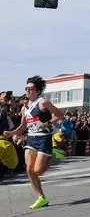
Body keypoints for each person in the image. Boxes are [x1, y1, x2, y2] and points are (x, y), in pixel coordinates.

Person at [3, 76, 63, 209]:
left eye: (30, 88)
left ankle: (54, 155)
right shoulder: (24, 108)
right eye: (26, 88)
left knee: (38, 171)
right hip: (31, 138)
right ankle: (41, 198)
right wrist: (12, 133)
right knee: (29, 170)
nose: (27, 91)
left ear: (38, 90)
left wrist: (47, 123)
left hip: (44, 138)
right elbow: (23, 126)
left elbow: (60, 115)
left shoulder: (43, 103)